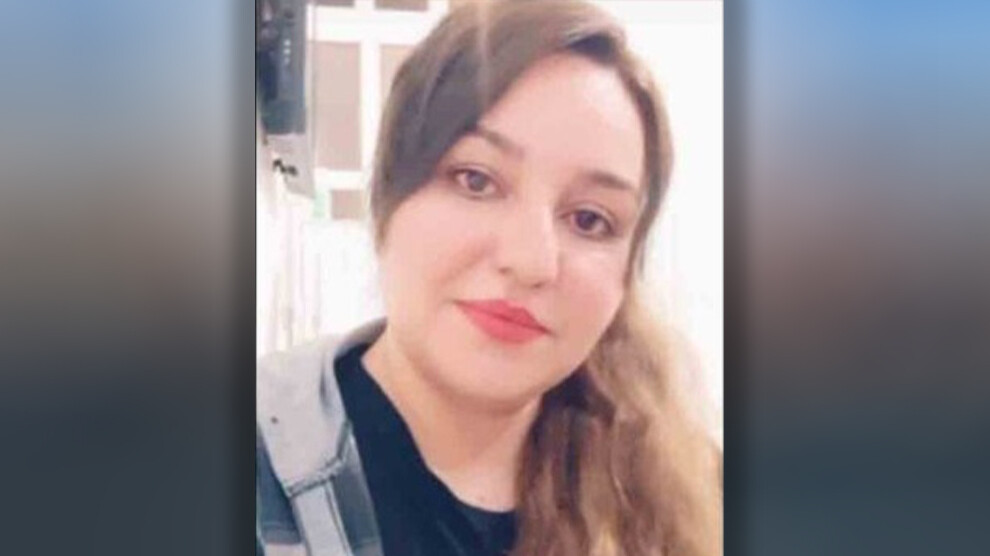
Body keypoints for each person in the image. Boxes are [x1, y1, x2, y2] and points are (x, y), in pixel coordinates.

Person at [256, 1, 722, 555]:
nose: (531, 261)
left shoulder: (691, 499)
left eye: (589, 219)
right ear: (388, 197)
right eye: (476, 180)